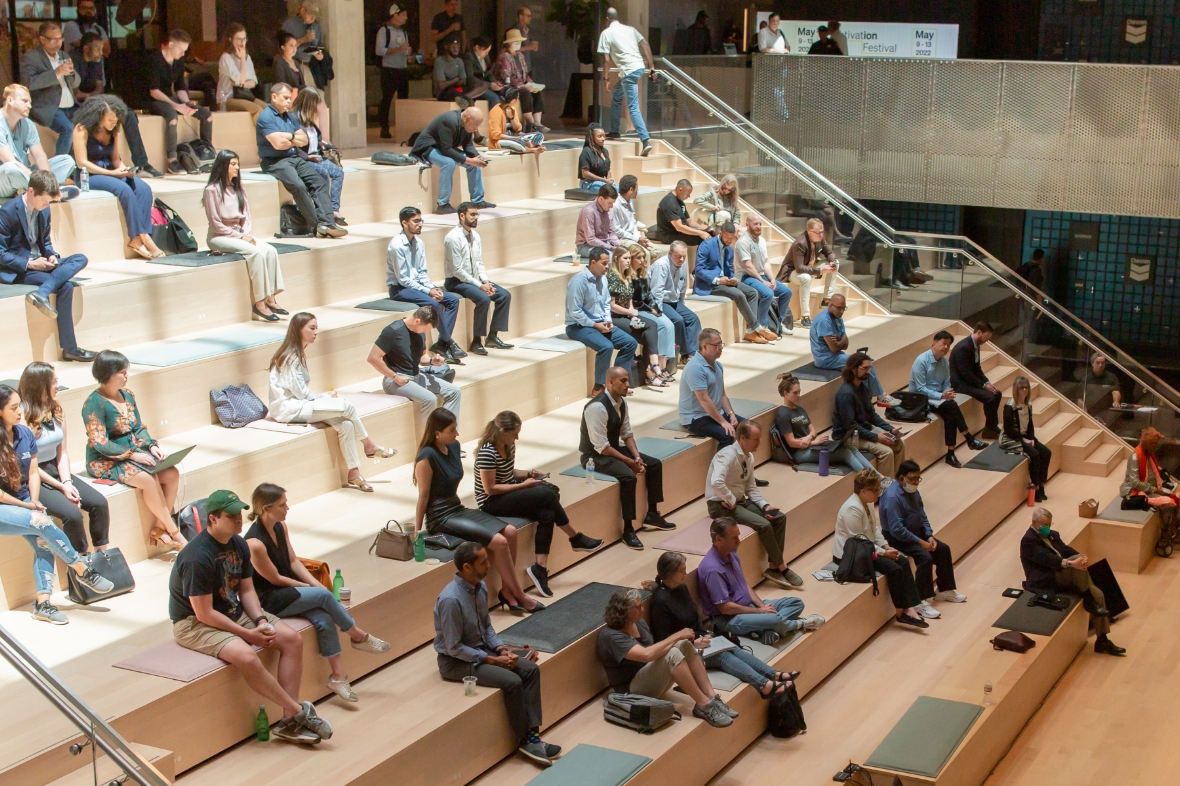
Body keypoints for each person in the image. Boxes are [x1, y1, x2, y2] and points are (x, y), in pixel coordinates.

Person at [169, 489, 332, 743]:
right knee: (246, 656)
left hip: (230, 610)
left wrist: (260, 621)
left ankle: (289, 721)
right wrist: (246, 634)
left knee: (291, 639)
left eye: (240, 513)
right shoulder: (197, 557)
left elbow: (246, 590)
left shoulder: (239, 545)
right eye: (231, 515)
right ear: (213, 519)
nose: (239, 519)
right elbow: (203, 612)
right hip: (194, 624)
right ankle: (300, 711)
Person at [244, 483, 390, 702]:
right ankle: (358, 636)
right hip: (270, 598)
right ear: (266, 508)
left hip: (290, 589)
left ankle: (338, 677)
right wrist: (311, 589)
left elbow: (293, 561)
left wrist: (315, 583)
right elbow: (274, 578)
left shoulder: (280, 526)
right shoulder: (254, 543)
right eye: (282, 504)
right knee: (323, 597)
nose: (288, 508)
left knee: (323, 617)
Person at [434, 541, 557, 765]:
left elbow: (487, 627)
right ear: (466, 568)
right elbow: (453, 647)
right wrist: (492, 659)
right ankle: (524, 740)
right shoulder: (451, 600)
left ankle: (534, 737)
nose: (489, 565)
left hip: (483, 650)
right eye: (483, 562)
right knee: (512, 681)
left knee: (530, 670)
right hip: (455, 662)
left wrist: (501, 649)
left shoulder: (480, 587)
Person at [0, 384, 114, 624]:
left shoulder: (24, 434)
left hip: (24, 501)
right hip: (4, 506)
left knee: (44, 543)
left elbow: (33, 472)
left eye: (20, 404)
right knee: (42, 522)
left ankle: (43, 604)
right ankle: (81, 568)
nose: (21, 411)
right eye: (14, 407)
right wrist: (29, 507)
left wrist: (33, 500)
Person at [415, 409, 542, 613]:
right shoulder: (426, 457)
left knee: (510, 532)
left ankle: (507, 591)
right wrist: (417, 531)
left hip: (457, 507)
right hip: (440, 517)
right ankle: (520, 594)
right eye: (452, 430)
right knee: (499, 542)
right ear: (437, 433)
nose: (457, 434)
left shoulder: (454, 447)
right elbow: (423, 495)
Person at [476, 411, 603, 597]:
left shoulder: (508, 446)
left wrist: (529, 474)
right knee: (547, 494)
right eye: (514, 434)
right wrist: (524, 487)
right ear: (502, 431)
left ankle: (540, 569)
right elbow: (490, 488)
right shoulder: (487, 452)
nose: (517, 438)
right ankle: (575, 537)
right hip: (491, 502)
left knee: (548, 513)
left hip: (507, 493)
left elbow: (509, 472)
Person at [268, 313, 395, 492]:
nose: (316, 332)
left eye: (316, 328)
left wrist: (325, 397)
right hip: (289, 409)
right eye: (311, 328)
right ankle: (370, 445)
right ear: (298, 330)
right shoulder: (290, 358)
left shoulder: (298, 354)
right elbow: (301, 393)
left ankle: (354, 473)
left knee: (346, 425)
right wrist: (326, 397)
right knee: (347, 406)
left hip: (300, 404)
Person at [648, 551, 797, 699]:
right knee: (723, 656)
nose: (685, 574)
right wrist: (694, 642)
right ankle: (764, 685)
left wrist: (705, 634)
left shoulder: (682, 588)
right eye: (682, 571)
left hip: (702, 640)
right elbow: (663, 640)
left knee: (734, 649)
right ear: (670, 573)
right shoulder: (660, 602)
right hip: (684, 651)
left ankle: (774, 674)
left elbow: (695, 618)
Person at [82, 350, 184, 548]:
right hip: (105, 459)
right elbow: (100, 442)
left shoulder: (128, 395)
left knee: (171, 473)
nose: (126, 375)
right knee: (149, 479)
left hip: (133, 453)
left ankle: (159, 528)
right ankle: (174, 532)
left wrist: (151, 446)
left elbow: (138, 428)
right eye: (122, 371)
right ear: (108, 374)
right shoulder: (93, 403)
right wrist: (132, 455)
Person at [597, 586, 734, 727]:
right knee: (673, 652)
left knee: (684, 644)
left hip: (649, 677)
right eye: (637, 607)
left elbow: (656, 649)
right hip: (631, 692)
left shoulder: (638, 622)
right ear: (623, 611)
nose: (642, 610)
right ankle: (703, 705)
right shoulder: (611, 636)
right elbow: (647, 655)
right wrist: (677, 635)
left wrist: (683, 643)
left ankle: (712, 698)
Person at [1, 168, 96, 361]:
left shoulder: (44, 210)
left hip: (42, 263)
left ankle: (42, 292)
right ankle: (70, 348)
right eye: (44, 200)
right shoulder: (7, 211)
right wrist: (30, 263)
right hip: (20, 268)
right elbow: (1, 253)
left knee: (80, 258)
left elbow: (45, 243)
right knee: (66, 285)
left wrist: (52, 256)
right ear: (30, 191)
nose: (46, 205)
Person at [18, 362, 110, 555]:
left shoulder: (56, 409)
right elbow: (29, 466)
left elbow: (63, 452)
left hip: (57, 469)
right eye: (54, 381)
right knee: (72, 515)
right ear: (40, 385)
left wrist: (67, 481)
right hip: (32, 476)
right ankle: (82, 563)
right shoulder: (22, 417)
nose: (58, 385)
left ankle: (103, 557)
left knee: (99, 504)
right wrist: (62, 487)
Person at [580, 366, 671, 550]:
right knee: (628, 477)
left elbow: (627, 434)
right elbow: (601, 447)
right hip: (595, 456)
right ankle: (628, 529)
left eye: (627, 380)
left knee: (653, 464)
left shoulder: (622, 402)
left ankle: (652, 514)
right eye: (623, 381)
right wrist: (629, 462)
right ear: (610, 382)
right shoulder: (596, 407)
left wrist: (637, 458)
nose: (627, 384)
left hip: (612, 449)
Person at [698, 517, 822, 646]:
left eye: (738, 536)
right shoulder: (712, 569)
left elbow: (744, 584)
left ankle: (765, 630)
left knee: (796, 603)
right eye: (733, 538)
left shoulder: (732, 554)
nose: (738, 541)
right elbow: (725, 608)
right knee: (774, 618)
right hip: (728, 619)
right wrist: (759, 612)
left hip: (747, 607)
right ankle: (800, 624)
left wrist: (761, 606)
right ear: (718, 539)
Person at [707, 420, 801, 588]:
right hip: (721, 505)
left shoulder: (749, 456)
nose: (759, 443)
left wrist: (765, 505)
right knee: (764, 524)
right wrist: (731, 499)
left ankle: (773, 568)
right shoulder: (726, 455)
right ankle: (782, 567)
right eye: (756, 439)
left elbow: (751, 487)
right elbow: (716, 482)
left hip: (739, 501)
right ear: (742, 438)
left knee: (778, 518)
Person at [70, 96, 164, 260]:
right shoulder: (82, 129)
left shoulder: (114, 129)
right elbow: (81, 162)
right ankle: (141, 238)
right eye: (110, 120)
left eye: (116, 120)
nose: (114, 123)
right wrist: (113, 173)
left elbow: (115, 159)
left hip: (111, 170)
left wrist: (124, 169)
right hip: (89, 174)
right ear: (99, 116)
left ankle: (142, 235)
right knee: (124, 189)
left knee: (143, 189)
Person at [1021, 508, 1124, 656]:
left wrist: (1080, 557)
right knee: (1076, 569)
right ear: (1034, 522)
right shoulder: (1028, 541)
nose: (1047, 528)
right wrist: (1072, 563)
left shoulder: (1053, 535)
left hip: (1060, 574)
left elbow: (1065, 549)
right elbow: (1048, 560)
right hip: (1044, 580)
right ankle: (1089, 599)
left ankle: (1102, 640)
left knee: (1099, 594)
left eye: (1049, 524)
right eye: (1044, 524)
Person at [834, 470, 927, 627]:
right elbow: (860, 541)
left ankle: (910, 607)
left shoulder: (867, 502)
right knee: (895, 569)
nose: (878, 494)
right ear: (863, 491)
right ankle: (900, 611)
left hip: (868, 549)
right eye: (875, 490)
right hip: (851, 555)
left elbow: (874, 529)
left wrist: (886, 545)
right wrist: (884, 553)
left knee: (902, 561)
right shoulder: (852, 508)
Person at [203, 149, 286, 321]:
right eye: (233, 164)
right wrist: (240, 237)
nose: (237, 167)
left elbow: (247, 217)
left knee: (270, 250)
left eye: (237, 164)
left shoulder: (239, 188)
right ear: (222, 165)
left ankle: (271, 297)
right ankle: (260, 303)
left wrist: (245, 233)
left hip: (240, 233)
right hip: (220, 236)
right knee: (255, 253)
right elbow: (215, 223)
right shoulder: (211, 190)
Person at [256, 82, 345, 239]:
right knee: (298, 185)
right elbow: (277, 144)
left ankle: (328, 222)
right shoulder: (265, 117)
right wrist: (292, 138)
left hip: (294, 158)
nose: (289, 102)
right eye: (285, 98)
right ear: (274, 97)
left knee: (319, 181)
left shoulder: (290, 117)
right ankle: (317, 225)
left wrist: (286, 137)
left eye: (290, 98)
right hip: (275, 162)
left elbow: (303, 140)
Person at [880, 460, 966, 619]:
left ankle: (944, 590)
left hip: (916, 533)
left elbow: (922, 516)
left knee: (943, 549)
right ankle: (919, 600)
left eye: (918, 478)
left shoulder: (914, 492)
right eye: (912, 479)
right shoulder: (892, 497)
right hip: (896, 538)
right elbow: (896, 529)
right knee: (924, 557)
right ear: (901, 478)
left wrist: (929, 535)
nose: (915, 482)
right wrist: (920, 542)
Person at [387, 206, 465, 361]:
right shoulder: (396, 246)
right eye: (416, 221)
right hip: (400, 289)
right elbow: (403, 279)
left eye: (421, 220)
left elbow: (422, 273)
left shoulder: (419, 243)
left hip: (416, 286)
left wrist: (432, 288)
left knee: (452, 300)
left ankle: (442, 343)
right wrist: (428, 292)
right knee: (433, 304)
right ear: (404, 223)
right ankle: (449, 342)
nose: (420, 224)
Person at [368, 306, 462, 421]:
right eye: (425, 329)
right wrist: (396, 377)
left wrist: (433, 361)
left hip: (416, 376)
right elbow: (373, 358)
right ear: (417, 321)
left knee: (455, 392)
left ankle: (447, 432)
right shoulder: (393, 331)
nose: (426, 332)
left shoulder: (420, 332)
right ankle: (429, 438)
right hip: (395, 380)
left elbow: (423, 358)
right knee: (430, 399)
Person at [910, 330, 989, 467]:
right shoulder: (921, 361)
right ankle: (968, 438)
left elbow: (946, 383)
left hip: (938, 398)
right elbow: (920, 389)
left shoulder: (945, 363)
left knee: (950, 413)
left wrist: (947, 392)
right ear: (934, 343)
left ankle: (951, 454)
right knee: (951, 406)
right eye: (943, 343)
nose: (946, 347)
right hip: (920, 399)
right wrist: (942, 396)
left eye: (948, 345)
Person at [444, 202, 513, 355]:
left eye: (477, 214)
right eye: (473, 215)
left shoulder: (475, 236)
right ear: (462, 216)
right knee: (484, 299)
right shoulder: (452, 238)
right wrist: (480, 285)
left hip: (475, 279)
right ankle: (476, 341)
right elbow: (458, 270)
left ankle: (492, 337)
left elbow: (479, 262)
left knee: (504, 295)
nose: (476, 218)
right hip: (456, 281)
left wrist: (486, 281)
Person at [565, 248, 638, 394]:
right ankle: (599, 387)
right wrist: (595, 325)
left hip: (600, 323)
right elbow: (575, 311)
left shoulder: (603, 279)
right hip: (579, 326)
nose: (607, 267)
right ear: (593, 262)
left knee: (630, 343)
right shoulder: (578, 282)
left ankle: (618, 382)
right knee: (606, 346)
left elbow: (605, 304)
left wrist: (608, 320)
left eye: (608, 263)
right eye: (604, 263)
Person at [773, 372, 876, 474]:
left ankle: (880, 478)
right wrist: (814, 442)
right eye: (795, 393)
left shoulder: (800, 409)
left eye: (799, 392)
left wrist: (809, 437)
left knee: (850, 448)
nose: (798, 395)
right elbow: (792, 442)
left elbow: (813, 431)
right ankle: (870, 480)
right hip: (800, 453)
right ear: (786, 393)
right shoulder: (783, 414)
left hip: (810, 446)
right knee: (845, 453)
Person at [147, 29, 213, 176]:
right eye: (181, 49)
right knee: (172, 117)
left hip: (170, 98)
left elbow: (180, 86)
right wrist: (177, 106)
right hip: (154, 99)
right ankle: (172, 160)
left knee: (206, 114)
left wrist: (187, 103)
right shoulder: (155, 59)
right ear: (170, 45)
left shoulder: (179, 61)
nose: (183, 53)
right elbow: (154, 91)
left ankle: (207, 152)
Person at [832, 352, 906, 478]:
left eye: (869, 368)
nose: (868, 372)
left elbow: (872, 415)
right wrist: (876, 437)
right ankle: (885, 491)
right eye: (864, 368)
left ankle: (896, 483)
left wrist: (890, 429)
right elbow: (851, 426)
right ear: (853, 369)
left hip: (862, 430)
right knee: (886, 452)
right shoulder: (846, 394)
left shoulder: (863, 388)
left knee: (898, 443)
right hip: (847, 437)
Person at [694, 222, 770, 344]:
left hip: (725, 281)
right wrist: (718, 280)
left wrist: (733, 278)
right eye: (727, 237)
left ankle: (750, 332)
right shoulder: (706, 245)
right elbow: (699, 270)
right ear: (721, 233)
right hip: (709, 284)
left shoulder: (729, 249)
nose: (729, 240)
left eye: (731, 238)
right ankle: (758, 327)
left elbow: (729, 269)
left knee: (752, 292)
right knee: (738, 294)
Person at [410, 107, 494, 214]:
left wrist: (477, 157)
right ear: (467, 118)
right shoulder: (449, 121)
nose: (476, 129)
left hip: (443, 148)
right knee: (448, 163)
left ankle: (478, 201)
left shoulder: (467, 125)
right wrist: (470, 161)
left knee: (474, 163)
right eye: (475, 125)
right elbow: (447, 150)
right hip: (428, 148)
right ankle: (443, 204)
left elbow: (468, 146)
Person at [609, 246, 671, 386]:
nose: (628, 261)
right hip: (614, 317)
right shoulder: (612, 277)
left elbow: (629, 302)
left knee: (651, 327)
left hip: (626, 315)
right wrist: (630, 313)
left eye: (629, 258)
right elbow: (612, 305)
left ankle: (651, 368)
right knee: (648, 330)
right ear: (616, 259)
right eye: (625, 258)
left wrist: (633, 317)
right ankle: (652, 369)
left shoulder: (628, 276)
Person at [809, 295, 890, 402]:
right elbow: (834, 348)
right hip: (825, 359)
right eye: (839, 308)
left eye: (844, 308)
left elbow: (845, 344)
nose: (842, 311)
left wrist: (840, 342)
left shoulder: (838, 318)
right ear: (830, 305)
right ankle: (879, 395)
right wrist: (841, 341)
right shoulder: (824, 321)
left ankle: (866, 400)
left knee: (863, 366)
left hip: (838, 355)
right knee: (863, 364)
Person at [0, 83, 76, 198]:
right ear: (10, 100)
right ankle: (46, 192)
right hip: (6, 177)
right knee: (10, 168)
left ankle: (46, 190)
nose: (29, 106)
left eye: (30, 102)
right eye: (25, 101)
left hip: (25, 176)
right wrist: (40, 182)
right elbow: (9, 161)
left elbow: (40, 156)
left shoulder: (28, 124)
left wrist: (50, 181)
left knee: (66, 161)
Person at [598, 7, 654, 157]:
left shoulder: (606, 33)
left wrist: (606, 78)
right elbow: (646, 45)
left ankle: (646, 140)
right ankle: (615, 130)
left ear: (606, 19)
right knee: (617, 94)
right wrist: (652, 67)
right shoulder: (630, 29)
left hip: (629, 72)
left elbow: (606, 59)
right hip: (638, 68)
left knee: (633, 107)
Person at [20, 22, 77, 157]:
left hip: (71, 107)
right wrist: (56, 73)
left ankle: (80, 167)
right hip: (49, 108)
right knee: (68, 129)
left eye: (60, 39)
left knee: (90, 123)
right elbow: (29, 83)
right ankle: (59, 169)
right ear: (42, 40)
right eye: (53, 39)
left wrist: (71, 73)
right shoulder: (32, 58)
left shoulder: (63, 55)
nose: (58, 43)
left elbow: (76, 83)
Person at [680, 328, 744, 446]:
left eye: (721, 344)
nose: (721, 348)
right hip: (696, 418)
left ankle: (741, 462)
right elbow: (704, 400)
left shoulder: (717, 365)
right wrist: (723, 422)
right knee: (727, 435)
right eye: (717, 345)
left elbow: (722, 395)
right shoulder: (695, 368)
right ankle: (720, 465)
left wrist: (731, 414)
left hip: (714, 412)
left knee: (747, 427)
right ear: (704, 346)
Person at [291, 87, 345, 226]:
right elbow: (292, 145)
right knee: (324, 173)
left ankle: (334, 209)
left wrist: (326, 146)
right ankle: (324, 211)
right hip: (305, 159)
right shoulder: (294, 121)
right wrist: (307, 157)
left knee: (338, 172)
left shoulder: (311, 122)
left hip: (317, 156)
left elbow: (316, 139)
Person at [736, 214, 793, 336]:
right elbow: (747, 265)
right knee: (768, 294)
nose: (758, 227)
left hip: (762, 275)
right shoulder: (743, 242)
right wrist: (762, 281)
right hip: (747, 277)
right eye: (755, 224)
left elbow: (766, 262)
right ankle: (762, 326)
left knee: (786, 292)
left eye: (760, 224)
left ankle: (779, 323)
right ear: (747, 225)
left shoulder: (762, 241)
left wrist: (772, 279)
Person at [1120, 427, 1178, 536]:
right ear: (1147, 443)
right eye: (1154, 445)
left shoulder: (1148, 455)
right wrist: (1155, 490)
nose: (1155, 447)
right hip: (1133, 491)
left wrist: (1159, 488)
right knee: (1169, 505)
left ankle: (1173, 530)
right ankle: (1166, 535)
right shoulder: (1135, 457)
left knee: (1174, 498)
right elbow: (1135, 483)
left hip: (1148, 488)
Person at [649, 241, 701, 362]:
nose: (681, 259)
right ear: (670, 253)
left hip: (674, 301)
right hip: (660, 302)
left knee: (693, 318)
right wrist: (658, 312)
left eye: (684, 256)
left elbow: (682, 287)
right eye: (678, 256)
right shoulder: (661, 265)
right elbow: (657, 291)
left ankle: (693, 353)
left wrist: (682, 304)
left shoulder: (682, 264)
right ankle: (685, 352)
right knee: (678, 320)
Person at [782, 217, 840, 327]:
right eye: (818, 233)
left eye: (822, 232)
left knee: (836, 263)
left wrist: (832, 262)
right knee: (806, 278)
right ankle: (805, 316)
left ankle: (827, 299)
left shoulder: (820, 238)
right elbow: (799, 268)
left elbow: (829, 252)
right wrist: (819, 271)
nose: (821, 235)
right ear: (810, 232)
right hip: (792, 272)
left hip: (810, 266)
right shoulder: (800, 243)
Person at [949, 322, 1002, 439]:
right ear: (979, 332)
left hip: (969, 381)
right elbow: (965, 373)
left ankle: (991, 426)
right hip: (960, 384)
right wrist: (983, 385)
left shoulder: (975, 346)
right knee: (990, 398)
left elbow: (977, 369)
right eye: (987, 337)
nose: (987, 340)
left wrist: (987, 383)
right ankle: (990, 428)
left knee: (997, 393)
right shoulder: (963, 348)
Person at [1005, 376, 1052, 503]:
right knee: (1035, 454)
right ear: (1016, 389)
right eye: (1022, 388)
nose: (1024, 390)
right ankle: (1035, 487)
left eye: (1026, 387)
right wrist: (1023, 439)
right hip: (1012, 438)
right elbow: (1008, 429)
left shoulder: (1028, 405)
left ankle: (1041, 485)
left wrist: (1031, 438)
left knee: (1046, 452)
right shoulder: (1010, 406)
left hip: (1026, 436)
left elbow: (1030, 425)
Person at [494, 30, 546, 133]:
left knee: (537, 92)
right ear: (509, 43)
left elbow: (525, 74)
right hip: (507, 86)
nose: (518, 44)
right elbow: (507, 77)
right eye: (516, 42)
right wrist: (523, 86)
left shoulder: (520, 55)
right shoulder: (504, 56)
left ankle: (537, 122)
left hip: (521, 84)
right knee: (525, 93)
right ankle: (530, 123)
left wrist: (530, 83)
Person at [375, 4, 411, 139]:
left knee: (404, 100)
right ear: (395, 15)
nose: (406, 18)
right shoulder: (384, 31)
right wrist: (398, 49)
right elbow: (379, 51)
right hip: (389, 70)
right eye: (404, 15)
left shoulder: (403, 31)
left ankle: (403, 128)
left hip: (403, 69)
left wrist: (407, 53)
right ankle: (384, 127)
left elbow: (404, 49)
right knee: (387, 99)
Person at [217, 24, 267, 120]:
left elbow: (253, 82)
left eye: (244, 39)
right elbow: (240, 79)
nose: (243, 42)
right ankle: (262, 134)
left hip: (244, 95)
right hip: (228, 98)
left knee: (269, 109)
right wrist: (242, 60)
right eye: (239, 39)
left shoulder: (247, 57)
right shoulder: (226, 58)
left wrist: (241, 84)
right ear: (230, 39)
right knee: (257, 109)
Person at [612, 174, 661, 261]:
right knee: (645, 254)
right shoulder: (615, 205)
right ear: (631, 189)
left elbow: (633, 223)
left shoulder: (630, 202)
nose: (638, 190)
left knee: (658, 251)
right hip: (623, 239)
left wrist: (640, 238)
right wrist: (637, 239)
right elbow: (616, 230)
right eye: (637, 187)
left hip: (634, 237)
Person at [282, 1, 327, 87]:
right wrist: (303, 39)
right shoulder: (289, 25)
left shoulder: (316, 27)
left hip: (311, 67)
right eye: (311, 15)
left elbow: (321, 49)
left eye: (315, 16)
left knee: (314, 97)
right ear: (302, 11)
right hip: (294, 65)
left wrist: (318, 54)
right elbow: (283, 49)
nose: (313, 18)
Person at [654, 179, 710, 248]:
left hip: (678, 232)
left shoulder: (680, 202)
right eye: (687, 194)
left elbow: (690, 222)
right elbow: (679, 227)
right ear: (680, 189)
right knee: (703, 239)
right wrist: (700, 233)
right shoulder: (670, 203)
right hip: (669, 235)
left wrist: (705, 230)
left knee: (710, 234)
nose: (689, 196)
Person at [487, 88, 543, 152]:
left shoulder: (512, 109)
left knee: (539, 135)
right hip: (499, 140)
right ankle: (530, 149)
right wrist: (515, 138)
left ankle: (528, 145)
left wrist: (511, 118)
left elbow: (518, 129)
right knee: (517, 142)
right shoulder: (496, 111)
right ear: (514, 100)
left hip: (513, 136)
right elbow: (496, 135)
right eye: (518, 98)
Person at [576, 182, 619, 258]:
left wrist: (619, 245)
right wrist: (610, 247)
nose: (611, 206)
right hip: (586, 246)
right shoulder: (588, 212)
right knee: (611, 257)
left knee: (624, 254)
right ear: (601, 199)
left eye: (613, 203)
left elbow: (611, 232)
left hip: (605, 243)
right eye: (609, 203)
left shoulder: (610, 210)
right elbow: (591, 239)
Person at [70, 32, 107, 104]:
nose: (101, 53)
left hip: (92, 101)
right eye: (97, 49)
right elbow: (75, 93)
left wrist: (88, 95)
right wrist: (91, 95)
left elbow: (100, 88)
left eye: (101, 49)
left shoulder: (96, 60)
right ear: (86, 48)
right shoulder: (72, 60)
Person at [461, 36, 498, 107]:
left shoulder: (486, 57)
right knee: (494, 98)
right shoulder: (469, 57)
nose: (487, 54)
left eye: (488, 52)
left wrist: (495, 83)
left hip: (485, 84)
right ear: (477, 47)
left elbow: (488, 73)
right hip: (474, 86)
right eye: (485, 51)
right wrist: (489, 85)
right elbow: (470, 77)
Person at [434, 36, 472, 104]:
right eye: (453, 46)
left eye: (457, 46)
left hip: (457, 89)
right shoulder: (439, 61)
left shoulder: (459, 61)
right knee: (452, 92)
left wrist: (449, 82)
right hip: (442, 92)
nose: (456, 48)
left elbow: (463, 81)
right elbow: (442, 85)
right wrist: (457, 79)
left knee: (471, 90)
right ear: (446, 46)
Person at [578, 123, 612, 191]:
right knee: (608, 191)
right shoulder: (586, 151)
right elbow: (585, 173)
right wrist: (603, 180)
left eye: (604, 136)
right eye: (599, 136)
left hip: (602, 182)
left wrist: (609, 181)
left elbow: (608, 170)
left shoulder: (605, 151)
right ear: (592, 137)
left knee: (620, 189)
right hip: (588, 182)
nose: (603, 139)